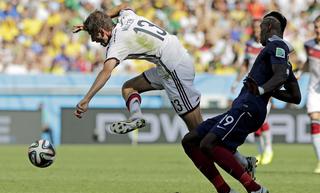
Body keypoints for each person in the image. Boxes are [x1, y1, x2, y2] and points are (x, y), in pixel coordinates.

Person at [72, 3, 256, 174]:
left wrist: (87, 99)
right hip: (170, 63)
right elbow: (124, 6)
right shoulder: (127, 18)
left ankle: (242, 166)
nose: (95, 41)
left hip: (174, 70)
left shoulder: (117, 42)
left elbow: (106, 71)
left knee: (199, 135)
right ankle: (136, 117)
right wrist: (89, 25)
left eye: (94, 36)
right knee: (129, 88)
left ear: (103, 31)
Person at [182, 11, 301, 193]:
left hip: (249, 107)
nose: (258, 33)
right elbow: (295, 96)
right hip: (241, 106)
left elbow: (281, 77)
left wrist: (263, 90)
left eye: (261, 28)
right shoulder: (279, 56)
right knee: (191, 139)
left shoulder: (277, 45)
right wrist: (267, 89)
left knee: (209, 143)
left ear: (270, 27)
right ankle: (225, 191)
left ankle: (255, 189)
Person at [231, 19, 273, 165]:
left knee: (263, 119)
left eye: (259, 28)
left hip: (265, 88)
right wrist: (236, 82)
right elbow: (244, 65)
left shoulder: (269, 45)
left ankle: (268, 149)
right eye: (254, 28)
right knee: (253, 121)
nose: (256, 30)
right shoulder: (249, 45)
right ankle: (261, 152)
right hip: (250, 88)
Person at [301, 15, 320, 174]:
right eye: (316, 26)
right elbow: (309, 61)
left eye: (319, 26)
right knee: (314, 123)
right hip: (314, 90)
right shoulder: (308, 45)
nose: (318, 29)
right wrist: (300, 72)